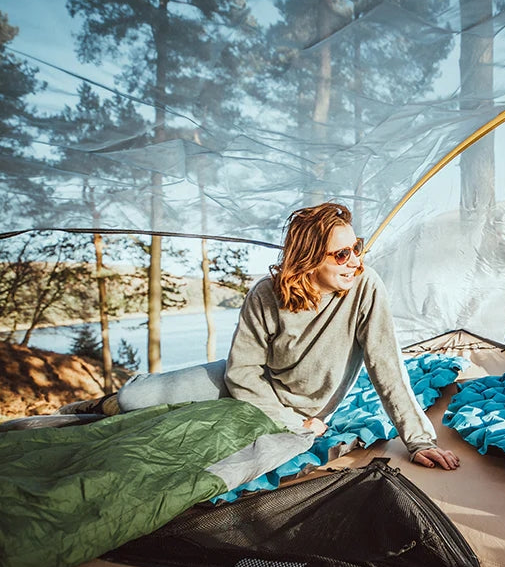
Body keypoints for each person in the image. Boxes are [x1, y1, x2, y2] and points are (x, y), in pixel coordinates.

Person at [61, 202, 459, 471]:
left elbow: (387, 367)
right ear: (307, 258)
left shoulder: (365, 286)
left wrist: (420, 441)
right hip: (252, 387)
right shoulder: (265, 294)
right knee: (137, 398)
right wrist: (286, 420)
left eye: (356, 248)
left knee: (178, 440)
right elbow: (242, 372)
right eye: (342, 254)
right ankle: (77, 411)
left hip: (305, 409)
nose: (355, 261)